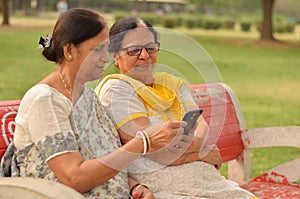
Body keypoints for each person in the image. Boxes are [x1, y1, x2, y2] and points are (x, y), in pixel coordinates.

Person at [10, 9, 186, 199]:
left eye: (106, 47)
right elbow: (73, 178)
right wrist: (143, 143)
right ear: (69, 51)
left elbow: (107, 157)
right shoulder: (46, 100)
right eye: (97, 49)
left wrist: (135, 187)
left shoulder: (88, 97)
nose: (106, 57)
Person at [96, 16, 258, 199]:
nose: (144, 55)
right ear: (115, 55)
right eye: (134, 50)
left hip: (209, 183)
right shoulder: (116, 91)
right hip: (161, 187)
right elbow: (152, 148)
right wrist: (200, 153)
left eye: (150, 48)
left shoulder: (172, 85)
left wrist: (190, 148)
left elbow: (200, 125)